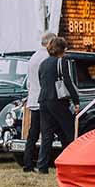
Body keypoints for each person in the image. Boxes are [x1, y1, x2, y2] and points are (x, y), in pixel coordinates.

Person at [36, 36, 80, 174]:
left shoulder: (43, 63)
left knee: (47, 134)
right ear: (62, 49)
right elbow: (68, 81)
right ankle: (70, 161)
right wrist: (76, 101)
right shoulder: (62, 62)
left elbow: (41, 81)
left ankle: (42, 166)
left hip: (43, 99)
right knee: (69, 131)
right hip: (58, 99)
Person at [22, 32, 55, 172]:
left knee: (33, 133)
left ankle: (27, 162)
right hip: (43, 99)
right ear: (50, 43)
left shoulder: (33, 57)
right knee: (47, 133)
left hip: (33, 98)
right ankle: (43, 163)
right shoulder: (47, 58)